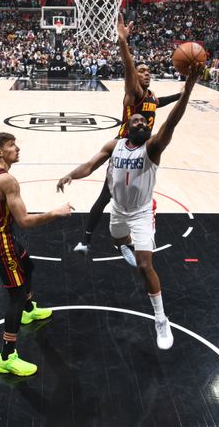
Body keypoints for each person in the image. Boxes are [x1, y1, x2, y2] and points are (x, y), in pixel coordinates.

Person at [58, 71, 200, 350]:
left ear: (148, 127)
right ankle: (124, 245)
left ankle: (161, 320)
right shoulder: (114, 145)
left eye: (143, 120)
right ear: (127, 123)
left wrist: (188, 91)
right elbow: (89, 165)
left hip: (142, 213)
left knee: (145, 264)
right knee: (117, 240)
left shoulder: (153, 147)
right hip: (119, 210)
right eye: (134, 119)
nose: (140, 121)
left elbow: (172, 121)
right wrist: (70, 175)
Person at [73, 15, 187, 262]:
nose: (146, 74)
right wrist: (123, 43)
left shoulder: (152, 95)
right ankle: (86, 239)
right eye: (142, 71)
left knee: (137, 197)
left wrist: (180, 95)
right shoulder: (134, 93)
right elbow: (128, 68)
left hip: (143, 149)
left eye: (148, 71)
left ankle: (127, 240)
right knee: (106, 196)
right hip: (124, 148)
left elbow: (159, 103)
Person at [0, 133, 72, 376]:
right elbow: (26, 222)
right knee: (15, 296)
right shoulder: (8, 180)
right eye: (11, 145)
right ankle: (7, 357)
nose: (17, 149)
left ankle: (29, 311)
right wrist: (55, 213)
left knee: (27, 265)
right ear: (0, 152)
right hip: (0, 240)